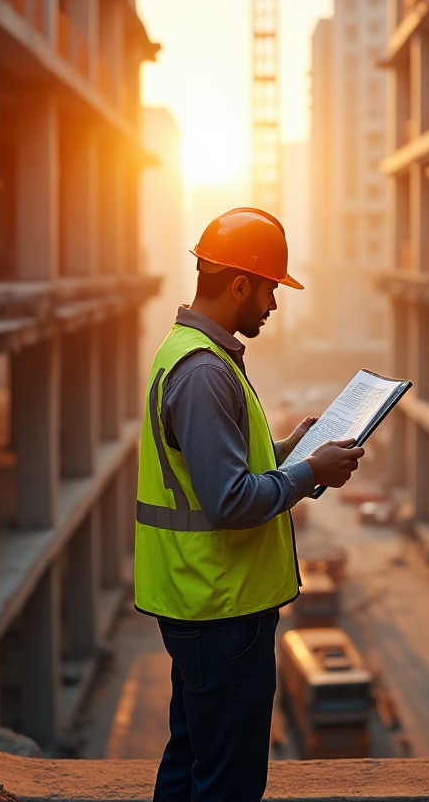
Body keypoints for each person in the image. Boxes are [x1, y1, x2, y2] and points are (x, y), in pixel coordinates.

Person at [134, 206, 364, 802]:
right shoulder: (205, 373)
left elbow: (220, 474)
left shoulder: (191, 355)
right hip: (222, 612)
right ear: (239, 284)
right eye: (269, 290)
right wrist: (311, 470)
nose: (273, 304)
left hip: (205, 605)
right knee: (228, 785)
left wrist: (292, 449)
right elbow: (229, 501)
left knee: (189, 765)